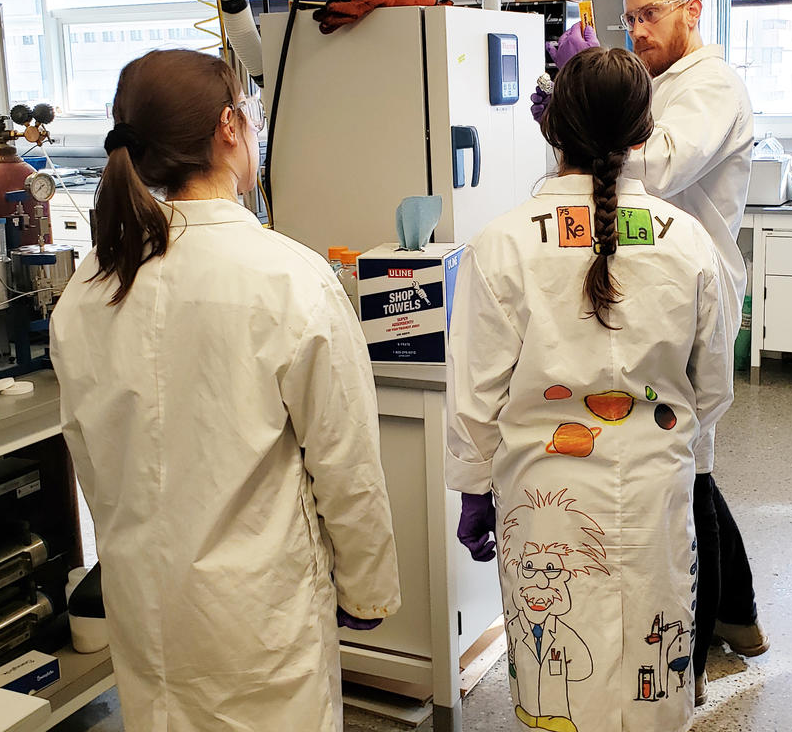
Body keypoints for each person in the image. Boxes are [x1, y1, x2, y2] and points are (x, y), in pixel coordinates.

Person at [49, 49, 400, 732]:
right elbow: (347, 463)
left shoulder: (90, 287)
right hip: (258, 624)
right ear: (229, 127)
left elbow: (91, 462)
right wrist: (369, 589)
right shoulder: (287, 278)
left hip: (148, 612)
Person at [448, 46, 733, 732]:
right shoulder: (690, 243)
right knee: (651, 657)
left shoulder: (504, 243)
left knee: (557, 671)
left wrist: (474, 487)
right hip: (654, 490)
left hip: (542, 497)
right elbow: (713, 385)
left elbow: (474, 397)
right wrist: (694, 460)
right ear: (644, 133)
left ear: (552, 130)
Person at [536, 0, 768, 704]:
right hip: (648, 281)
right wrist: (564, 108)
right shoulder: (660, 79)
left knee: (686, 470)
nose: (637, 31)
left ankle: (689, 665)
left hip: (686, 289)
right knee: (694, 466)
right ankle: (742, 616)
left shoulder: (713, 84)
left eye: (652, 14)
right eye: (628, 17)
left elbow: (657, 166)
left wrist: (583, 110)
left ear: (693, 10)